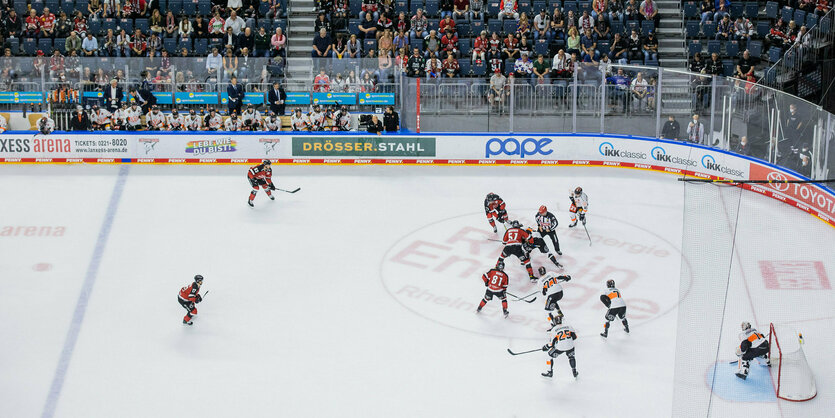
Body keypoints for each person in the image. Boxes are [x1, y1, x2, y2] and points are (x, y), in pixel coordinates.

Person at [541, 312, 578, 378]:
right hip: (570, 346)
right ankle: (574, 372)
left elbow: (551, 344)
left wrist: (545, 347)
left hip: (560, 348)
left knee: (549, 356)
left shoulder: (554, 329)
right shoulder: (569, 326)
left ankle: (550, 372)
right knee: (571, 357)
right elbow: (575, 337)